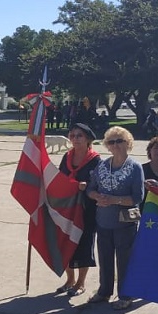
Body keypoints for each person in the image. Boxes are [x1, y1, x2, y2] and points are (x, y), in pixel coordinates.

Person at [86, 126, 145, 310]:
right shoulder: (102, 165)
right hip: (103, 220)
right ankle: (104, 291)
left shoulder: (135, 167)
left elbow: (137, 197)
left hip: (125, 222)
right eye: (111, 142)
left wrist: (115, 199)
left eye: (120, 141)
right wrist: (97, 196)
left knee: (124, 260)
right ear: (107, 146)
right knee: (105, 258)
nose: (116, 145)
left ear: (128, 143)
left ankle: (126, 295)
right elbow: (90, 188)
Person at [54, 123, 100, 297]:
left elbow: (99, 185)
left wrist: (86, 186)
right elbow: (59, 178)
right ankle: (69, 280)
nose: (75, 139)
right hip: (66, 209)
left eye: (79, 136)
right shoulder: (67, 157)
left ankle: (81, 283)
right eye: (72, 135)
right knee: (65, 245)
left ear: (88, 139)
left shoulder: (95, 160)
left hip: (86, 210)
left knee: (83, 246)